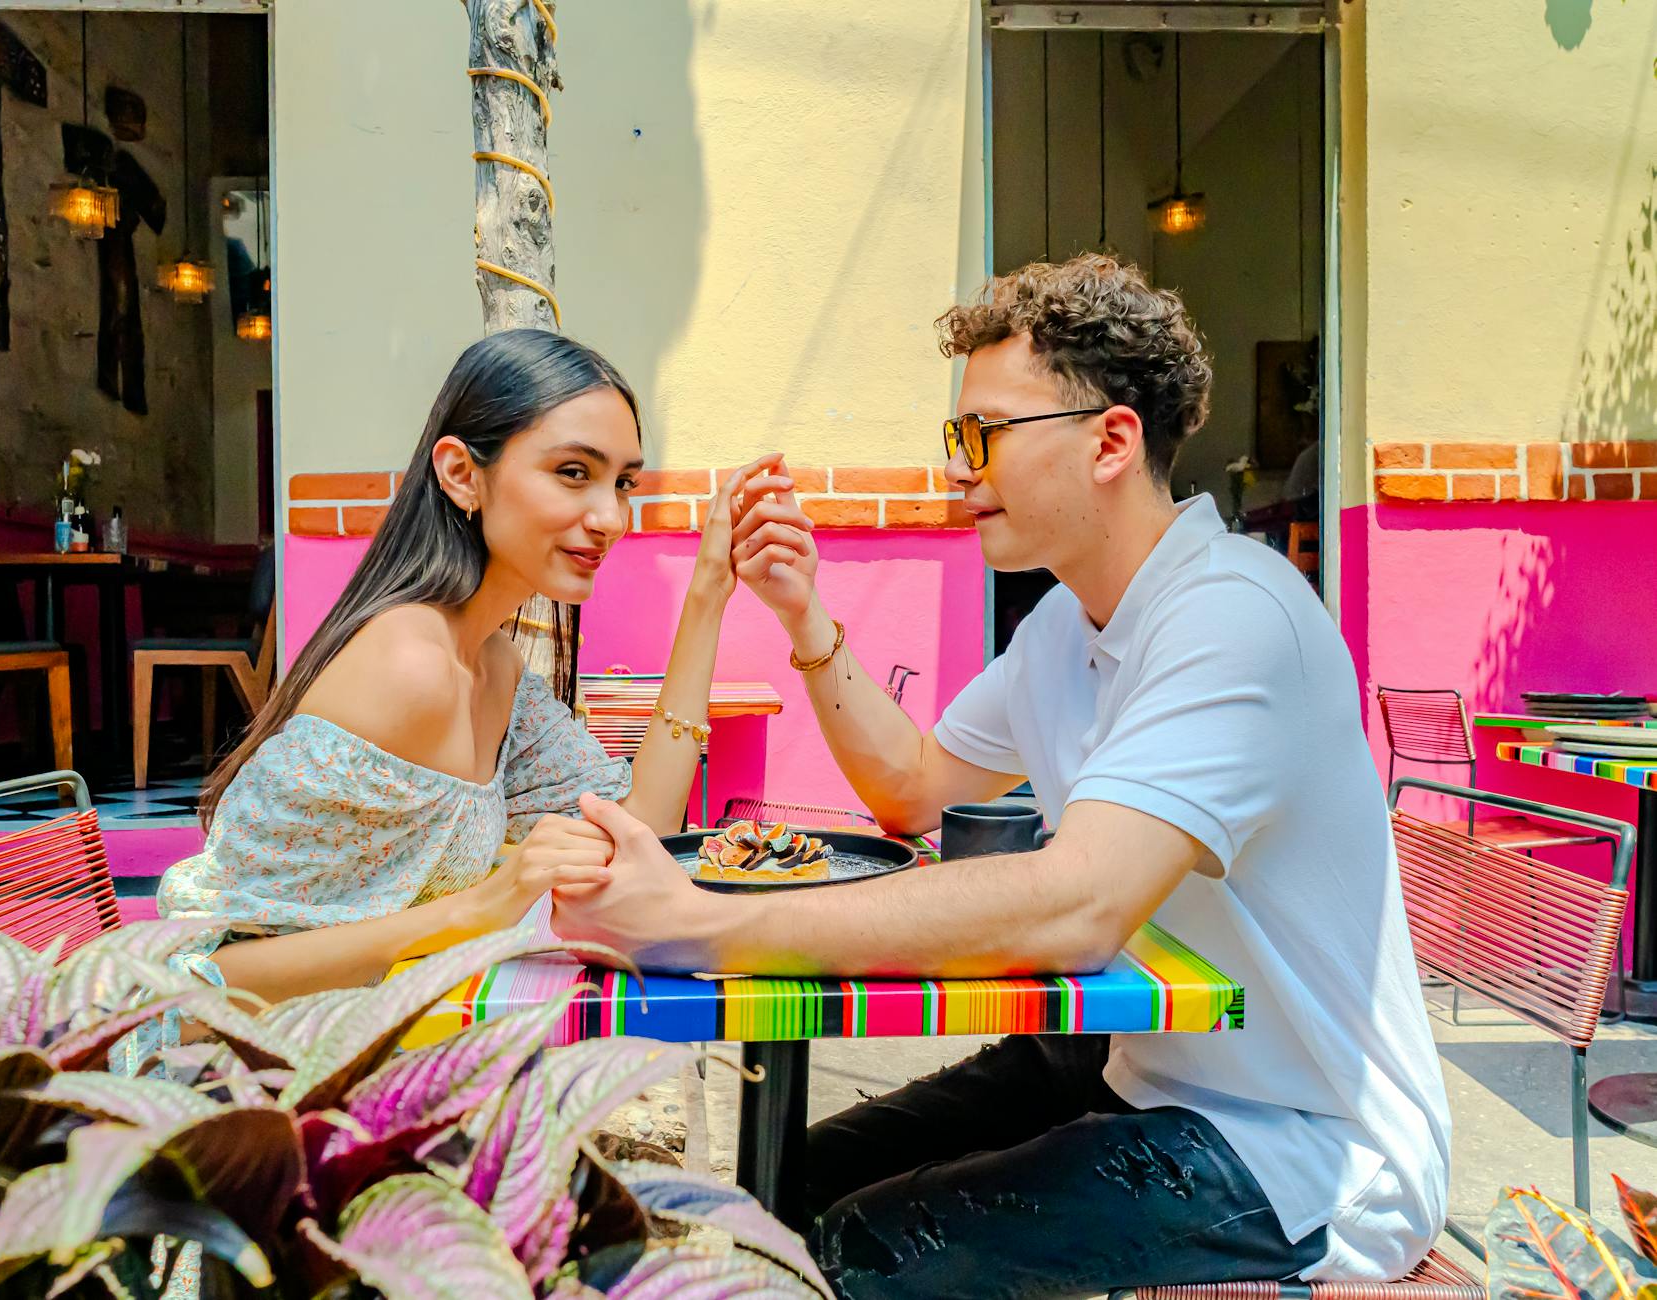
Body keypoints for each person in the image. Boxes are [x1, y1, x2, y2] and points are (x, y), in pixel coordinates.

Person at [552, 256, 1451, 1296]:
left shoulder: (1234, 617)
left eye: (981, 436)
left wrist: (698, 922)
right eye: (955, 438)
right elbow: (909, 783)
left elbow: (1074, 906)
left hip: (1300, 1147)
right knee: (771, 1194)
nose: (955, 469)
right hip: (1131, 1063)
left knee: (844, 1259)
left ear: (1109, 441)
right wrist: (800, 612)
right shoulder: (1067, 621)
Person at [156, 329, 790, 1004]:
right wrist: (481, 906)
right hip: (264, 1089)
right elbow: (195, 986)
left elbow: (644, 825)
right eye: (574, 472)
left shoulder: (493, 665)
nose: (610, 516)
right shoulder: (409, 667)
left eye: (624, 482)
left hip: (386, 1062)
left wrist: (709, 591)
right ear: (462, 473)